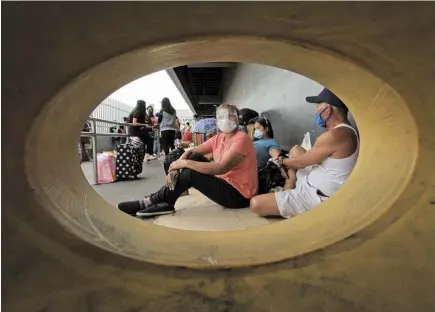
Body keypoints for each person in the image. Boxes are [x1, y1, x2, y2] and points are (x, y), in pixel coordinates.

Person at [117, 104, 259, 217]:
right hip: (225, 184)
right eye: (221, 116)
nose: (225, 119)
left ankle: (151, 201)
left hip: (238, 195)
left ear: (237, 119)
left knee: (190, 173)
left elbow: (221, 167)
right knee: (192, 157)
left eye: (230, 116)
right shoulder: (219, 137)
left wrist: (184, 164)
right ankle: (165, 201)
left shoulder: (242, 139)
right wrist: (175, 167)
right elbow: (192, 150)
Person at [250, 88, 359, 218]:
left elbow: (300, 163)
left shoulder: (334, 135)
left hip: (317, 196)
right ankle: (291, 181)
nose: (316, 111)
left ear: (328, 109)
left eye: (318, 106)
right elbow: (306, 159)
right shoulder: (346, 131)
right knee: (296, 149)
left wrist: (281, 161)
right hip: (312, 178)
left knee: (255, 203)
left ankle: (289, 185)